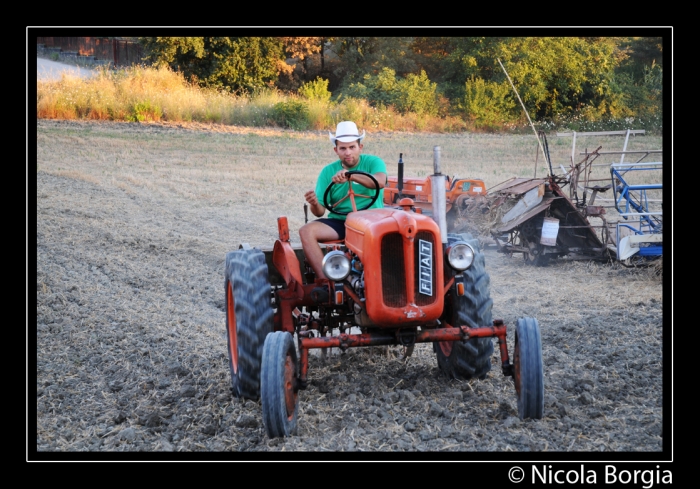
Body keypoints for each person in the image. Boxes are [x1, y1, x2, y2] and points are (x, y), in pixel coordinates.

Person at [299, 121, 387, 280]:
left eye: (352, 147)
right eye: (343, 148)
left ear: (360, 147)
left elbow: (379, 182)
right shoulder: (328, 172)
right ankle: (327, 281)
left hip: (372, 220)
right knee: (306, 231)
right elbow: (320, 211)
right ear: (336, 150)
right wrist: (314, 203)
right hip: (342, 222)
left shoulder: (373, 162)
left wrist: (350, 176)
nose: (348, 152)